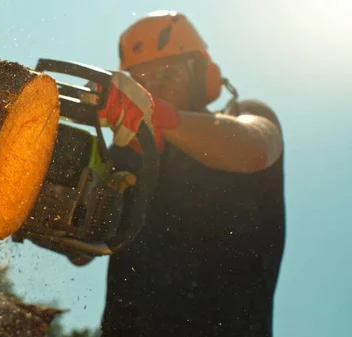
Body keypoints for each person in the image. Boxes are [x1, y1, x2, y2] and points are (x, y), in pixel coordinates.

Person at [95, 10, 286, 337]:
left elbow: (256, 148)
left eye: (168, 75)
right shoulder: (130, 159)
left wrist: (156, 116)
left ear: (203, 77)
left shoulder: (244, 117)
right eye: (141, 83)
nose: (152, 90)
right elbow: (86, 244)